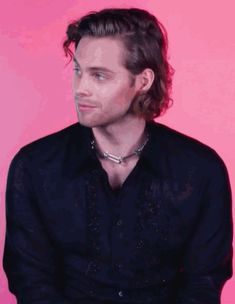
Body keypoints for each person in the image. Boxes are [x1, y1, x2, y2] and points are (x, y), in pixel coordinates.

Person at [3, 7, 233, 304]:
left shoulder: (201, 170)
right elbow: (31, 280)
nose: (80, 89)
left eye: (99, 76)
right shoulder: (34, 166)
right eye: (77, 71)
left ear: (143, 81)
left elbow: (203, 283)